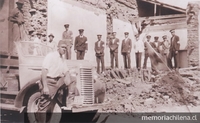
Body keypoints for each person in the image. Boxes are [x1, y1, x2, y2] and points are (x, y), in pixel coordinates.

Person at [36, 40, 72, 123]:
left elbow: (66, 70)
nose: (64, 49)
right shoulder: (51, 56)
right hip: (49, 81)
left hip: (58, 81)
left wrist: (68, 78)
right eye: (63, 47)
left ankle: (69, 101)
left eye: (66, 48)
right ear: (58, 47)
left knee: (73, 78)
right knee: (43, 106)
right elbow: (44, 71)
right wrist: (45, 87)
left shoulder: (62, 59)